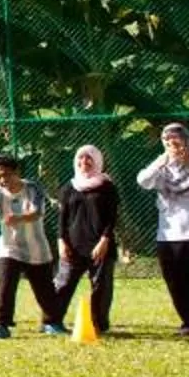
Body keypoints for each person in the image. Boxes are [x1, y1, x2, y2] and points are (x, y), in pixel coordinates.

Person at [0, 153, 68, 338]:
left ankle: (51, 323)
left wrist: (17, 218)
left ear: (16, 172)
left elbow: (37, 213)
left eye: (5, 175)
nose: (2, 180)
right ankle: (1, 325)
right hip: (9, 247)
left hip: (36, 248)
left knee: (44, 288)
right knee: (5, 283)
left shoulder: (33, 188)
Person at [135, 122, 189, 338]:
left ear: (186, 140)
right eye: (166, 140)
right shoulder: (161, 168)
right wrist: (163, 158)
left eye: (175, 138)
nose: (171, 143)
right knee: (176, 281)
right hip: (169, 233)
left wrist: (188, 163)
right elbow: (143, 180)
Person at [57, 144, 120, 338]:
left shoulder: (107, 187)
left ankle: (98, 324)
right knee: (63, 283)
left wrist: (104, 240)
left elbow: (112, 218)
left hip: (100, 246)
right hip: (73, 245)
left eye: (89, 158)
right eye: (80, 158)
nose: (84, 162)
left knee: (101, 286)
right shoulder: (69, 187)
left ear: (97, 161)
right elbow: (62, 219)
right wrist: (61, 241)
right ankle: (52, 321)